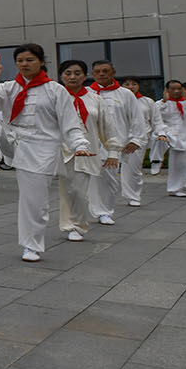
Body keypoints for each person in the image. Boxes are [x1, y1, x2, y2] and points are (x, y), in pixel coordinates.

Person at [0, 45, 91, 261]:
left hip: (41, 148)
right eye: (20, 60)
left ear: (41, 62)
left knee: (34, 200)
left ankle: (31, 246)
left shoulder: (55, 90)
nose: (24, 64)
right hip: (12, 139)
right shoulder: (7, 87)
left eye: (30, 60)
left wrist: (80, 145)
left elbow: (70, 123)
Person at [54, 60, 120, 241]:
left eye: (77, 73)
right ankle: (69, 222)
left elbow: (107, 127)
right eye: (68, 73)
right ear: (61, 76)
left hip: (86, 152)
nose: (73, 77)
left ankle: (77, 226)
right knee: (67, 190)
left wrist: (113, 151)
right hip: (59, 151)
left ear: (85, 75)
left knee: (78, 191)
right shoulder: (55, 97)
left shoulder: (95, 99)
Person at [86, 60, 142, 223]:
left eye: (105, 71)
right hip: (90, 143)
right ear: (92, 74)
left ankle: (105, 211)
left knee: (109, 179)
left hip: (114, 144)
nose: (101, 74)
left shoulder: (125, 94)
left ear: (113, 72)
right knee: (91, 179)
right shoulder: (87, 93)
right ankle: (96, 209)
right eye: (97, 71)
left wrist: (136, 139)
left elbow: (136, 118)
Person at [118, 76, 159, 206]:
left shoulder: (147, 102)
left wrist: (160, 133)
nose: (131, 86)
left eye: (134, 84)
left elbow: (156, 120)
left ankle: (133, 196)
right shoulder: (117, 100)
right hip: (119, 136)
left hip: (138, 138)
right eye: (127, 84)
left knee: (133, 169)